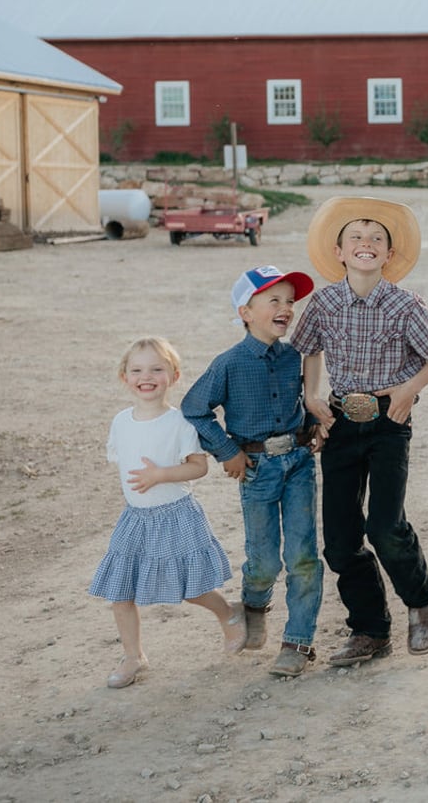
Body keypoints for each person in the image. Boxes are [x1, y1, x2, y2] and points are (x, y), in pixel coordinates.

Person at [289, 197, 428, 668]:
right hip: (341, 420)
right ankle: (370, 628)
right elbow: (308, 350)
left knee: (384, 525)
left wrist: (408, 390)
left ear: (388, 254)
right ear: (339, 251)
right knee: (339, 540)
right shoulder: (323, 302)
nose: (366, 244)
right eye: (356, 238)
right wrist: (312, 398)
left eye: (376, 239)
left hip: (389, 421)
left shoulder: (405, 305)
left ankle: (421, 600)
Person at [182, 265, 325, 678]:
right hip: (256, 470)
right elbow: (195, 409)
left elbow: (302, 402)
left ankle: (298, 641)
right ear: (245, 311)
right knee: (263, 560)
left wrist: (313, 428)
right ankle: (255, 605)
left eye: (289, 302)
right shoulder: (229, 363)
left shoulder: (294, 357)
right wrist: (227, 450)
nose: (285, 308)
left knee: (302, 556)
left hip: (298, 464)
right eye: (273, 301)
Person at [89, 337, 247, 689]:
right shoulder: (121, 422)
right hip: (136, 518)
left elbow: (198, 468)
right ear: (124, 377)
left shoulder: (180, 423)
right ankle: (134, 656)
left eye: (157, 369)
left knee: (190, 588)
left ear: (173, 376)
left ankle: (229, 612)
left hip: (175, 514)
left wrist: (160, 474)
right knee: (120, 591)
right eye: (137, 370)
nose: (147, 377)